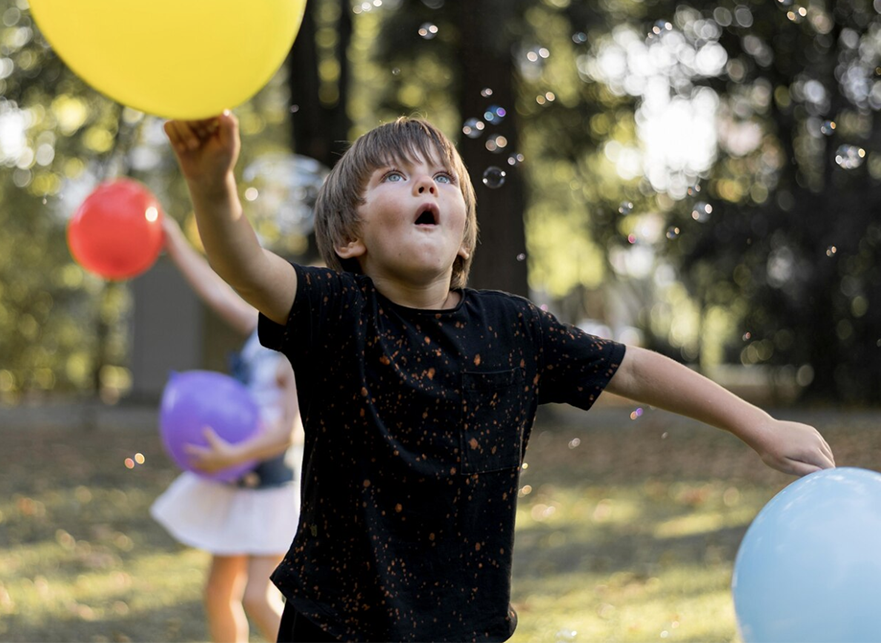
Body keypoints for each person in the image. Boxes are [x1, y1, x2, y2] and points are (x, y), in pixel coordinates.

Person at [164, 111, 835, 643]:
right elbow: (244, 261)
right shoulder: (336, 314)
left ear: (462, 238)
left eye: (442, 178)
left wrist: (759, 424)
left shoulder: (513, 329)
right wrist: (210, 181)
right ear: (350, 239)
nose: (427, 184)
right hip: (334, 629)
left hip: (464, 631)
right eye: (394, 178)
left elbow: (631, 366)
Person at [149, 215, 301, 643]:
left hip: (269, 485)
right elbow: (215, 294)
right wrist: (176, 242)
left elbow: (288, 432)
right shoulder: (261, 329)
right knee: (218, 593)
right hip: (235, 478)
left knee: (258, 596)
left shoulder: (295, 351)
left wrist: (231, 455)